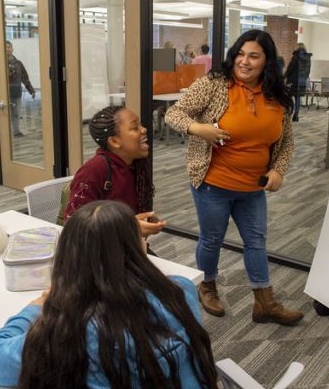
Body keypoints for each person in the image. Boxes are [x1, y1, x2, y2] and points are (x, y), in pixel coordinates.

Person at [0, 200, 221, 389]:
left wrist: (36, 308)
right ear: (136, 249)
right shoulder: (181, 290)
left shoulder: (72, 328)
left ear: (69, 258)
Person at [165, 29, 303, 326]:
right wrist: (198, 129)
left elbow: (287, 142)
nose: (244, 61)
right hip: (214, 182)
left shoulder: (277, 96)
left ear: (267, 61)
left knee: (256, 241)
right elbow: (174, 114)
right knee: (212, 239)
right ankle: (208, 285)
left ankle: (264, 302)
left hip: (253, 187)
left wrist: (278, 170)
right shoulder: (215, 85)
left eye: (254, 56)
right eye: (240, 54)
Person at [64, 105, 166, 238]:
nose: (144, 129)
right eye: (135, 128)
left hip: (126, 247)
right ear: (114, 141)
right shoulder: (94, 170)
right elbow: (75, 227)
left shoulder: (137, 165)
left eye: (140, 124)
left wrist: (144, 220)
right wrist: (129, 227)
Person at [6, 41, 36, 137]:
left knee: (15, 113)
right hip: (3, 93)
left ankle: (16, 131)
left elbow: (25, 78)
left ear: (12, 49)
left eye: (9, 47)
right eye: (5, 47)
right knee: (3, 114)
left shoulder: (18, 63)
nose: (8, 49)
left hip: (16, 92)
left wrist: (31, 90)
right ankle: (3, 133)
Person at [284, 43, 312, 122]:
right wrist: (305, 78)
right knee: (298, 98)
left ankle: (288, 113)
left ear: (297, 47)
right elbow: (308, 70)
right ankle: (296, 116)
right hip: (302, 81)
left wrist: (284, 76)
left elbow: (290, 69)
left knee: (288, 97)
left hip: (293, 81)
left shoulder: (296, 57)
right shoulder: (308, 58)